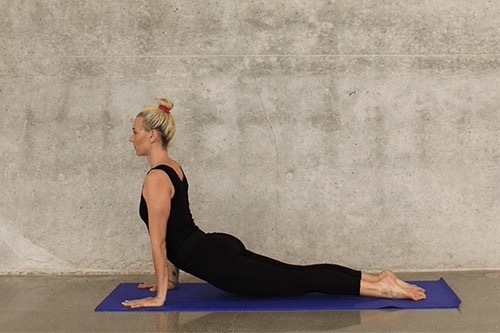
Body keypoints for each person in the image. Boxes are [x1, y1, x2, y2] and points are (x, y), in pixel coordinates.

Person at [122, 98, 426, 309]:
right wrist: (171, 281)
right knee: (299, 274)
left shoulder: (155, 180)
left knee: (300, 279)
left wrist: (160, 296)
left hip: (218, 263)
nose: (131, 137)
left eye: (135, 132)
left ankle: (379, 288)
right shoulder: (172, 167)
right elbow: (173, 231)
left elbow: (160, 241)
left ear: (151, 136)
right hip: (216, 249)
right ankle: (377, 280)